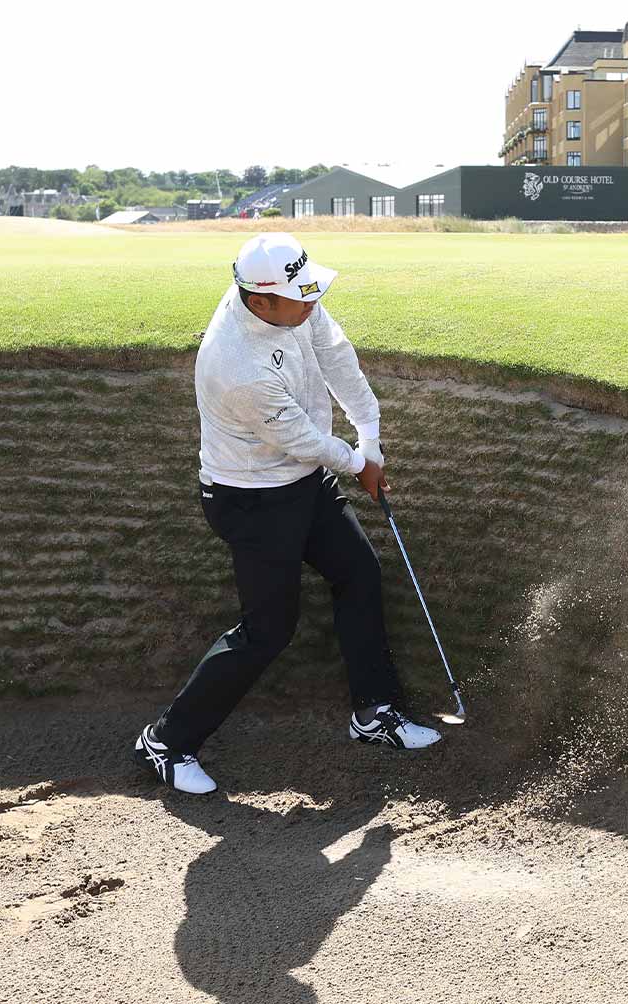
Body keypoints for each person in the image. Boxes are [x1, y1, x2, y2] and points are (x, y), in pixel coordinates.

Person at [135, 233, 441, 795]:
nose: (312, 302)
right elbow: (300, 438)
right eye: (300, 297)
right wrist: (358, 465)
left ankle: (373, 712)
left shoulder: (296, 303)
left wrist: (369, 433)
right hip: (250, 498)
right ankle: (168, 740)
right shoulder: (237, 364)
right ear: (260, 301)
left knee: (358, 573)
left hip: (303, 483)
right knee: (267, 630)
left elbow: (335, 354)